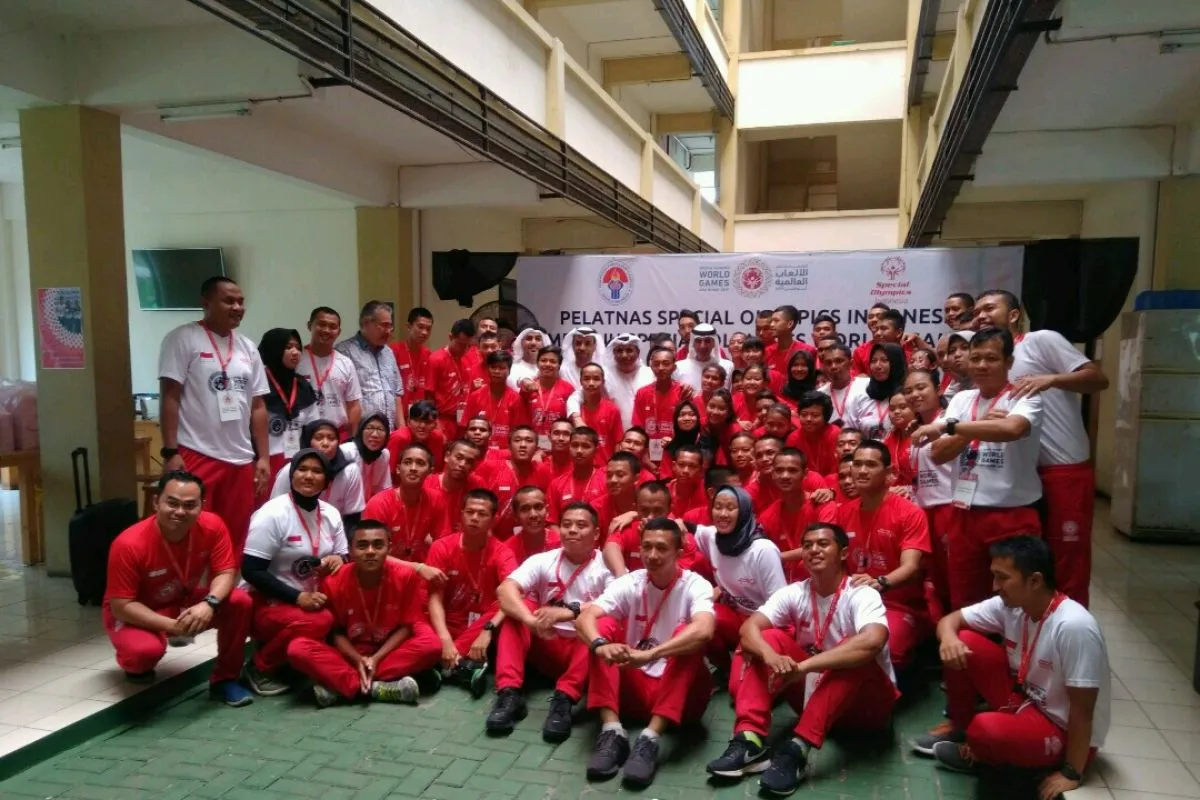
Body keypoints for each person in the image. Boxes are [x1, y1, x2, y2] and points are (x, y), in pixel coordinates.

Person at [707, 522, 898, 795]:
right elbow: (748, 629)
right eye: (807, 545)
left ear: (844, 553)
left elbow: (873, 641)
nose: (813, 550)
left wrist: (804, 667)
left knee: (853, 650)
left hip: (865, 708)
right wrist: (770, 655)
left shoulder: (861, 593)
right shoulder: (794, 592)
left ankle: (797, 749)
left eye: (823, 544)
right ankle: (750, 740)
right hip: (812, 696)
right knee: (764, 639)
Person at [912, 537, 1109, 799]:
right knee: (963, 640)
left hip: (1062, 729)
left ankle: (986, 753)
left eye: (1002, 578)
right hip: (1026, 701)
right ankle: (961, 729)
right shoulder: (1012, 606)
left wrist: (1071, 772)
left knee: (985, 730)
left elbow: (1083, 710)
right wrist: (948, 639)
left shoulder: (1074, 626)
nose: (995, 586)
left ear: (1035, 581)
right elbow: (950, 621)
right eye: (994, 576)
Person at [973, 289, 1109, 608]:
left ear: (1014, 315)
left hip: (1063, 467)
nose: (980, 316)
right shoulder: (986, 359)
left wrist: (1051, 380)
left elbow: (1097, 379)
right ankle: (1030, 626)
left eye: (989, 308)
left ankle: (1069, 628)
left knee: (1067, 557)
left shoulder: (1040, 341)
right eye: (976, 312)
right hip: (1021, 475)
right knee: (1027, 561)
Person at [912, 327, 1044, 609]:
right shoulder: (962, 400)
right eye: (976, 358)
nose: (982, 365)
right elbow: (938, 453)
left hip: (1011, 514)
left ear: (1008, 362)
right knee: (966, 598)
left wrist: (952, 428)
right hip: (964, 513)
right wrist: (979, 425)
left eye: (991, 358)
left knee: (1015, 601)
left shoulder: (1024, 396)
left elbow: (1011, 429)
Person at [578, 517, 716, 787]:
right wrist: (600, 645)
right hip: (633, 689)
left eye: (662, 548)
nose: (652, 555)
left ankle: (650, 738)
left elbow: (705, 629)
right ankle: (612, 731)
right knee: (602, 627)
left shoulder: (695, 584)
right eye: (647, 547)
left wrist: (652, 655)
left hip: (680, 696)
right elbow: (585, 618)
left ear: (678, 552)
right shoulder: (631, 581)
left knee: (689, 638)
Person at [103, 471, 254, 706]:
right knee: (143, 654)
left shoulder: (213, 526)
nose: (180, 511)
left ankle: (225, 678)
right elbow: (121, 606)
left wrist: (209, 604)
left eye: (190, 505)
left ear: (202, 506)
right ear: (156, 502)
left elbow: (225, 572)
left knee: (239, 601)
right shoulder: (129, 544)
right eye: (172, 503)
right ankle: (135, 663)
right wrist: (173, 627)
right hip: (135, 611)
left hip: (181, 600)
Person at [158, 276, 269, 553]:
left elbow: (258, 406)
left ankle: (228, 581)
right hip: (197, 452)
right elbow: (170, 396)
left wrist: (263, 457)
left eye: (241, 301)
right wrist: (170, 451)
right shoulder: (183, 338)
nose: (237, 307)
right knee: (190, 530)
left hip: (240, 458)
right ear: (205, 303)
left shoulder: (247, 347)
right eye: (228, 301)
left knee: (235, 533)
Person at [489, 502, 614, 741]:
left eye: (581, 525)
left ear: (597, 533)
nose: (572, 530)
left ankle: (564, 698)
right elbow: (505, 590)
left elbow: (616, 603)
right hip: (547, 642)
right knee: (518, 609)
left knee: (603, 621)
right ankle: (509, 693)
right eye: (566, 525)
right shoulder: (543, 559)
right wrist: (530, 621)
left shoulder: (607, 566)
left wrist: (568, 612)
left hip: (583, 652)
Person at [286, 519, 442, 706]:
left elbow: (406, 627)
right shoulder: (333, 581)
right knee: (298, 648)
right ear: (350, 551)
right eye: (362, 546)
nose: (370, 551)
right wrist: (357, 659)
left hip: (388, 652)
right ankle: (376, 688)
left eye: (378, 545)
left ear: (389, 548)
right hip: (349, 654)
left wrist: (376, 659)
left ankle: (344, 686)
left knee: (431, 646)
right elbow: (335, 633)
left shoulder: (406, 576)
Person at [240, 449, 348, 695]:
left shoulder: (330, 514)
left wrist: (337, 559)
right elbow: (251, 570)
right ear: (291, 475)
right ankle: (259, 667)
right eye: (302, 469)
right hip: (267, 600)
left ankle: (292, 664)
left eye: (317, 471)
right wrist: (298, 597)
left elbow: (344, 556)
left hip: (311, 598)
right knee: (320, 621)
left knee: (341, 613)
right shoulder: (272, 513)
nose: (308, 476)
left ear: (327, 480)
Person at [835, 441, 932, 671]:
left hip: (899, 604)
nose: (861, 470)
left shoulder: (910, 513)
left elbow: (911, 567)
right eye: (857, 464)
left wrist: (880, 582)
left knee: (883, 649)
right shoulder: (844, 512)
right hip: (853, 600)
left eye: (870, 464)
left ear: (888, 473)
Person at [427, 490, 518, 698]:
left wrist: (487, 630)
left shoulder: (502, 552)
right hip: (448, 622)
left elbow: (513, 596)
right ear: (461, 514)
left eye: (482, 514)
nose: (475, 518)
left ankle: (446, 666)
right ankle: (464, 667)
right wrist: (445, 639)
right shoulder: (442, 547)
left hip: (480, 626)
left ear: (494, 519)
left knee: (504, 603)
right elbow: (435, 598)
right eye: (470, 512)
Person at [694, 486, 788, 677]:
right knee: (703, 617)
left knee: (740, 687)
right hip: (735, 617)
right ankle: (725, 670)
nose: (723, 514)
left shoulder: (763, 550)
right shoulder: (712, 537)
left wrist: (753, 638)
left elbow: (781, 607)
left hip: (764, 623)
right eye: (718, 507)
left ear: (744, 511)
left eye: (730, 508)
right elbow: (688, 528)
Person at [758, 449, 837, 581]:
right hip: (786, 585)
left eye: (792, 470)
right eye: (779, 470)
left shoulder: (823, 506)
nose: (785, 476)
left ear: (805, 474)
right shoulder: (767, 516)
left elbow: (823, 545)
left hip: (823, 582)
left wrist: (775, 557)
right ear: (773, 474)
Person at [364, 442, 450, 562]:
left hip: (421, 566)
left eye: (420, 463)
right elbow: (371, 553)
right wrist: (417, 568)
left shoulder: (436, 499)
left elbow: (444, 543)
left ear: (430, 471)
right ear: (398, 469)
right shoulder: (379, 503)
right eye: (407, 462)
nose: (413, 468)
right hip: (384, 568)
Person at [270, 419, 365, 526]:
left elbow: (353, 517)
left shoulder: (350, 471)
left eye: (331, 438)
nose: (325, 443)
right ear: (308, 441)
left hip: (334, 530)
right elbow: (274, 510)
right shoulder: (290, 471)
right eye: (319, 438)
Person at [603, 480, 708, 576]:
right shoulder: (627, 528)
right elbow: (611, 547)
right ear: (636, 508)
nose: (650, 517)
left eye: (658, 511)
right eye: (644, 510)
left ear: (669, 509)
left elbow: (671, 578)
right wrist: (622, 576)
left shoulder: (683, 537)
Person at [259, 328, 320, 476]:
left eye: (298, 348)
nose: (295, 352)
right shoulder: (258, 383)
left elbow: (313, 426)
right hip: (263, 461)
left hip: (297, 460)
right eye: (288, 347)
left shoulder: (302, 385)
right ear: (274, 349)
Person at [335, 301, 405, 430]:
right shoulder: (344, 352)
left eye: (390, 326)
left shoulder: (388, 352)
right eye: (384, 325)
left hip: (389, 432)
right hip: (362, 433)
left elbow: (397, 393)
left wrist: (402, 430)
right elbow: (341, 399)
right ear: (366, 323)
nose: (389, 331)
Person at [298, 307, 362, 439]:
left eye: (332, 327)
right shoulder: (297, 360)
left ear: (339, 332)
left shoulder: (346, 363)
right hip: (303, 434)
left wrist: (354, 439)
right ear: (309, 326)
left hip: (337, 435)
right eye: (321, 324)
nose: (326, 330)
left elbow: (354, 405)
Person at [481, 426, 553, 540]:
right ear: (509, 446)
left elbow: (547, 507)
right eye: (517, 440)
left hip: (529, 538)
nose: (523, 445)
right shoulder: (490, 468)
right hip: (492, 539)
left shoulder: (542, 471)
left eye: (529, 441)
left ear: (536, 447)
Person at [461, 350, 528, 455]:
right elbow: (465, 427)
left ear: (509, 371)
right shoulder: (475, 396)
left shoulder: (516, 399)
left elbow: (518, 432)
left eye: (501, 368)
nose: (497, 371)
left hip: (505, 453)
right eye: (493, 367)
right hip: (477, 452)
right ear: (488, 369)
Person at [582, 333, 653, 429]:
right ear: (614, 354)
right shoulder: (604, 374)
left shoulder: (650, 374)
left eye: (629, 350)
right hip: (613, 431)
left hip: (646, 432)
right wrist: (576, 416)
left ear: (638, 352)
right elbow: (579, 395)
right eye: (619, 351)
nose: (624, 355)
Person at [425, 318, 476, 440]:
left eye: (468, 346)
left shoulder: (468, 359)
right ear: (450, 337)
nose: (464, 349)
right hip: (443, 420)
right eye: (461, 345)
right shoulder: (436, 359)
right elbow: (429, 397)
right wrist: (436, 425)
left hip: (463, 421)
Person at [633, 347, 685, 465]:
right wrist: (644, 456)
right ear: (651, 367)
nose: (661, 368)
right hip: (648, 454)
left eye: (666, 363)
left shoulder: (682, 392)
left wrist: (674, 441)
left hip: (676, 453)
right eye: (656, 364)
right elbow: (638, 428)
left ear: (674, 367)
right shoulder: (642, 393)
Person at [846, 342, 906, 440]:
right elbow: (851, 432)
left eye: (884, 360)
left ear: (896, 362)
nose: (877, 365)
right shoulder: (862, 393)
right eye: (873, 361)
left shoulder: (908, 395)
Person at [548, 427, 607, 522]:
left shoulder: (606, 481)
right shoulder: (556, 484)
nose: (579, 451)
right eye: (575, 445)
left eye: (586, 446)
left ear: (596, 450)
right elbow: (552, 522)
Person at [522, 346, 573, 450]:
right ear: (537, 363)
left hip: (558, 443)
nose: (548, 364)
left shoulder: (568, 389)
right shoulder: (528, 387)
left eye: (553, 361)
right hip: (530, 443)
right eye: (543, 360)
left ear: (559, 366)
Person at [573, 363, 624, 466]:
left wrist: (614, 466)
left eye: (596, 379)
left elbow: (618, 443)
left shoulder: (612, 409)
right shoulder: (575, 409)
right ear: (580, 381)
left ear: (603, 382)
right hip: (579, 466)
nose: (591, 383)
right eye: (586, 379)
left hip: (605, 467)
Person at [341, 414, 392, 505]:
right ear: (361, 431)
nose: (375, 435)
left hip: (369, 506)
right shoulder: (346, 452)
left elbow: (384, 489)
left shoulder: (384, 455)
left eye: (380, 429)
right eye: (369, 428)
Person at [386, 400, 446, 472]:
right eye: (417, 421)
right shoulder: (400, 438)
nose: (422, 426)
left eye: (428, 422)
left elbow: (435, 470)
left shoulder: (437, 438)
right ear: (408, 422)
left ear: (435, 425)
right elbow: (389, 470)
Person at [506, 486, 562, 564]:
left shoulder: (561, 545)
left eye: (538, 507)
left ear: (547, 511)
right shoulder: (507, 550)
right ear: (515, 516)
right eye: (525, 509)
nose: (533, 515)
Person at [390, 306, 434, 398]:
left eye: (428, 329)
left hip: (421, 406)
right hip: (399, 406)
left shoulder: (429, 355)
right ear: (409, 326)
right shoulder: (393, 352)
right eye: (420, 327)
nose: (425, 332)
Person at [675, 323, 733, 392]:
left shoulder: (727, 366)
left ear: (714, 343)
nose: (702, 346)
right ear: (693, 343)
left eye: (707, 341)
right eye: (698, 341)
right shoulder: (679, 367)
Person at [794, 392, 839, 478]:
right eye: (804, 415)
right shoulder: (794, 438)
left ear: (825, 417)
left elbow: (837, 471)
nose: (808, 419)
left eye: (815, 415)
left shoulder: (835, 434)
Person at [766, 305, 817, 380]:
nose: (771, 325)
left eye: (776, 321)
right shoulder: (767, 351)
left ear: (790, 324)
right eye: (771, 321)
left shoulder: (808, 350)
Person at [658, 399, 705, 479]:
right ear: (676, 420)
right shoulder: (669, 447)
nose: (687, 418)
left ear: (698, 418)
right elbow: (666, 478)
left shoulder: (705, 444)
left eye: (691, 414)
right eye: (682, 415)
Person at [818, 343, 863, 427]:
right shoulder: (820, 394)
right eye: (828, 363)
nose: (833, 366)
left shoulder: (866, 386)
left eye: (839, 361)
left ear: (851, 363)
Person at [851, 302, 891, 376]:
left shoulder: (903, 344)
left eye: (879, 316)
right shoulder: (860, 351)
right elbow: (857, 377)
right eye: (870, 317)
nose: (874, 319)